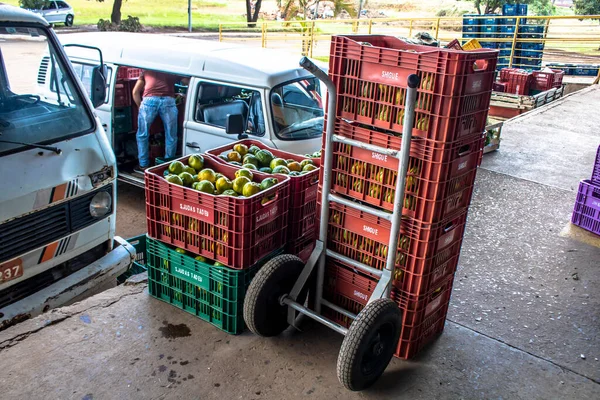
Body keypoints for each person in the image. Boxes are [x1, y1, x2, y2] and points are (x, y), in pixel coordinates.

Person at [132, 70, 187, 171]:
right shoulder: (172, 69)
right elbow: (187, 82)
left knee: (142, 135)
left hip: (149, 100)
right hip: (168, 101)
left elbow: (135, 92)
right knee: (171, 136)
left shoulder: (146, 70)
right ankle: (169, 165)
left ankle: (143, 164)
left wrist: (141, 107)